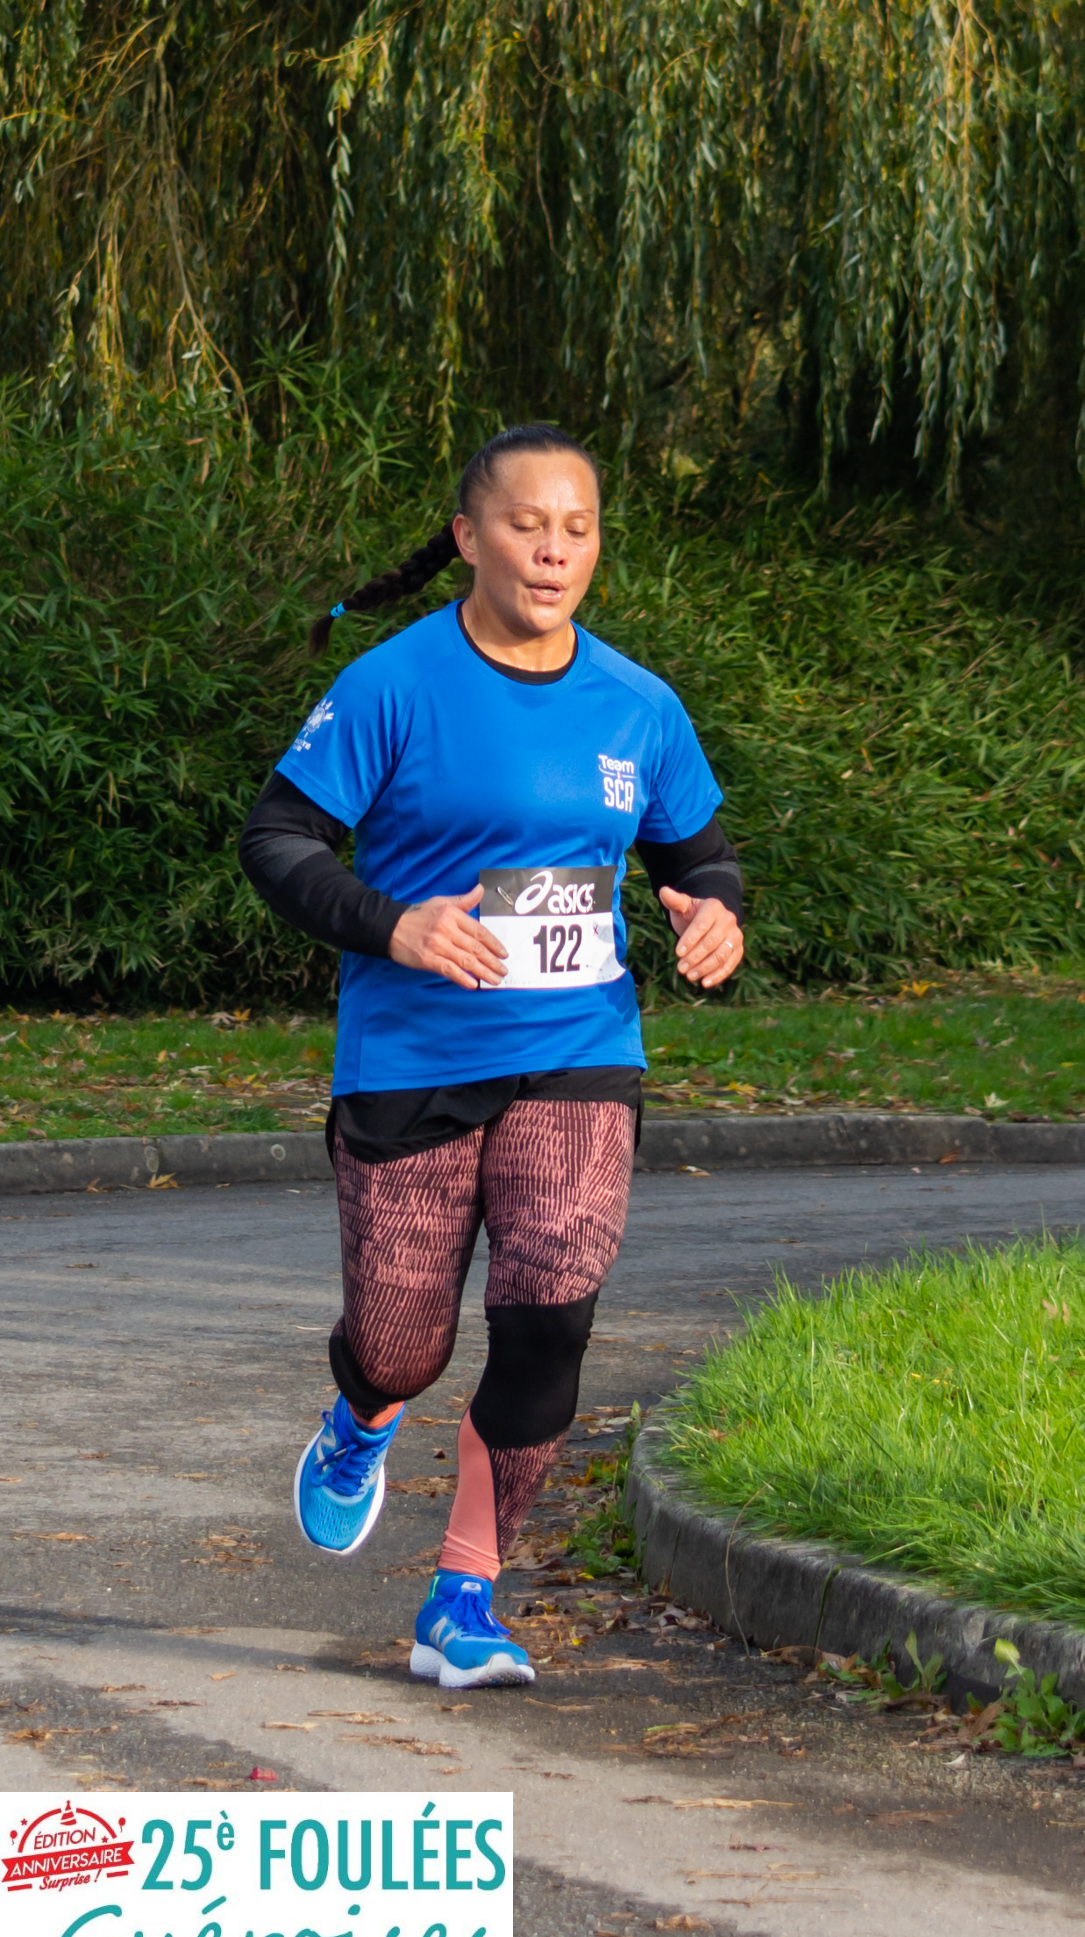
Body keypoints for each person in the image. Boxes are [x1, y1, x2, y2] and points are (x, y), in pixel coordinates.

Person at [239, 424, 744, 1689]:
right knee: (402, 1343)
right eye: (528, 525)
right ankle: (361, 1416)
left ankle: (462, 1594)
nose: (553, 551)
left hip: (578, 1047)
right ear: (470, 537)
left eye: (577, 528)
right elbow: (278, 839)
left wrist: (715, 913)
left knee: (550, 1314)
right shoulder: (392, 685)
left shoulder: (638, 703)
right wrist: (394, 924)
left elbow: (698, 852)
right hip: (411, 1053)